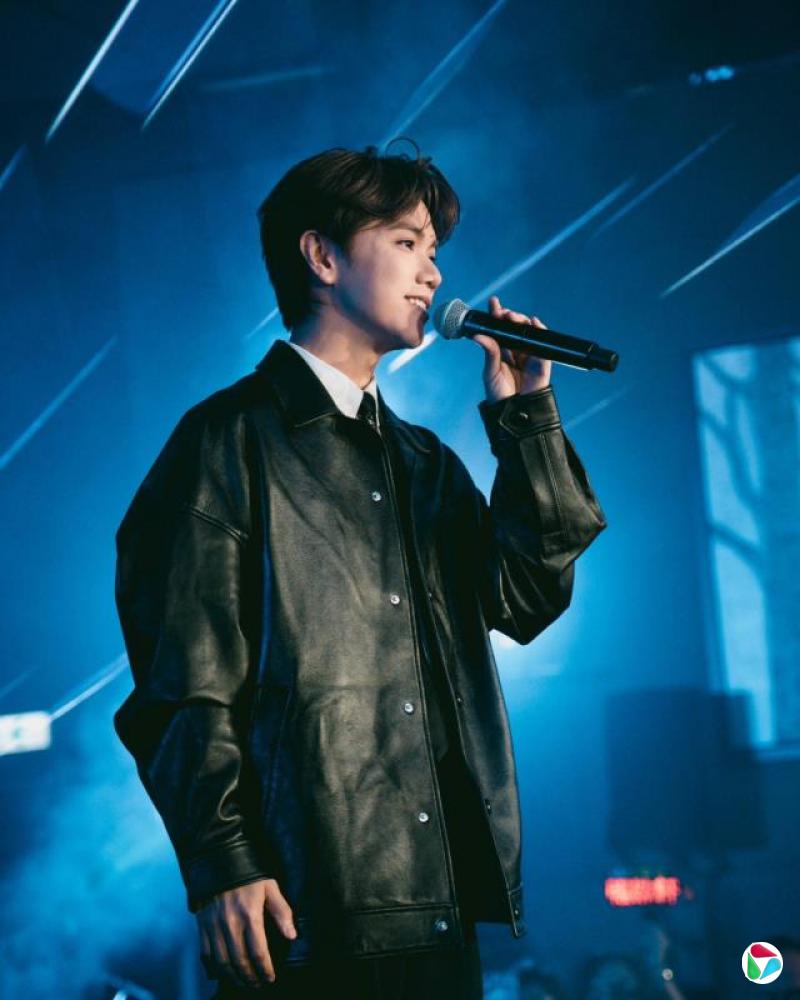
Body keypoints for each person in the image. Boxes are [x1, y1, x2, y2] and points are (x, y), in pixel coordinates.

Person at [113, 143, 607, 998]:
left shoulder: (424, 463)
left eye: (434, 250)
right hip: (307, 913)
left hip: (441, 907)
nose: (433, 272)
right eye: (407, 242)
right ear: (323, 256)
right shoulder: (225, 444)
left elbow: (526, 598)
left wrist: (527, 418)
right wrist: (224, 860)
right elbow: (183, 681)